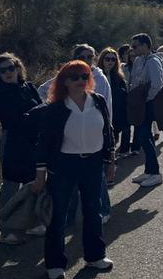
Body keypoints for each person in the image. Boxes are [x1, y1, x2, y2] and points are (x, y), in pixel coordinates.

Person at [30, 61, 115, 278]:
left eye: (84, 76)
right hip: (64, 166)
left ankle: (95, 256)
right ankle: (55, 264)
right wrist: (40, 175)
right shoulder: (56, 108)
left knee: (93, 211)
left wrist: (110, 160)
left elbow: (108, 131)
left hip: (93, 164)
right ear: (64, 81)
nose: (80, 80)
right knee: (58, 216)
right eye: (74, 77)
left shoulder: (98, 101)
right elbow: (44, 143)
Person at [38, 44, 113, 225]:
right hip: (70, 143)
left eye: (90, 57)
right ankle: (68, 217)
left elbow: (106, 108)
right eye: (82, 56)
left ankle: (103, 210)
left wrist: (108, 139)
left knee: (98, 180)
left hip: (95, 135)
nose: (86, 60)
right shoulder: (68, 74)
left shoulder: (99, 78)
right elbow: (43, 90)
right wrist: (52, 106)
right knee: (70, 184)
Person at [0, 53, 44, 245]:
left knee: (33, 181)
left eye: (11, 68)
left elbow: (41, 109)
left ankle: (32, 222)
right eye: (3, 70)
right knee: (10, 184)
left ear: (18, 68)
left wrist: (34, 115)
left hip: (32, 140)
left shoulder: (28, 87)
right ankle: (7, 230)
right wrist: (34, 114)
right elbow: (13, 118)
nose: (8, 73)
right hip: (12, 140)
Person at [127, 33, 163, 187]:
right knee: (144, 137)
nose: (132, 49)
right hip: (139, 102)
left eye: (135, 46)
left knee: (144, 137)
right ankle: (149, 171)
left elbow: (157, 84)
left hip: (147, 103)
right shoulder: (139, 60)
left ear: (144, 45)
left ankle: (155, 173)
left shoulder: (153, 61)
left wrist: (146, 98)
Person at [98, 48, 130, 159]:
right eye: (107, 59)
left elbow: (124, 94)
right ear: (102, 59)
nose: (110, 62)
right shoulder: (97, 76)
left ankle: (115, 155)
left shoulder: (119, 77)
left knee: (117, 134)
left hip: (117, 111)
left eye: (113, 59)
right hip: (101, 112)